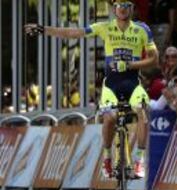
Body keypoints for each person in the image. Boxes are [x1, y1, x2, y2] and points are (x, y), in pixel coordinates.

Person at [24, 0, 159, 179]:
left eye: (127, 5)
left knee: (142, 111)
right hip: (111, 84)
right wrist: (44, 29)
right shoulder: (104, 27)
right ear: (114, 8)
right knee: (110, 118)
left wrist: (131, 64)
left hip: (133, 83)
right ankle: (107, 157)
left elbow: (154, 59)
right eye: (119, 5)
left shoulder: (142, 29)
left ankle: (139, 160)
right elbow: (73, 33)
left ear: (132, 9)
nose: (123, 9)